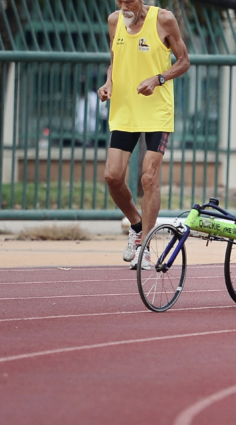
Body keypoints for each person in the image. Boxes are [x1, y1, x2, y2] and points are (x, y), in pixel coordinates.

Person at [98, 0, 190, 269]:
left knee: (149, 177)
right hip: (125, 111)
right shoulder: (114, 21)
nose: (124, 5)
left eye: (130, 0)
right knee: (112, 176)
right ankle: (137, 226)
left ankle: (146, 247)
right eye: (120, 0)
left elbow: (184, 61)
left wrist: (158, 78)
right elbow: (114, 61)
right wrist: (108, 82)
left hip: (156, 112)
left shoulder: (163, 19)